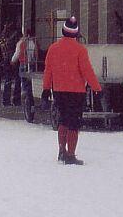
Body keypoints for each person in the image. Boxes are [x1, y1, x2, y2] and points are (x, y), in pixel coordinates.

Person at [42, 16, 101, 165]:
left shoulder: (53, 48)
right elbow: (87, 71)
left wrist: (46, 88)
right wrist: (97, 88)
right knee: (74, 122)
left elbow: (48, 70)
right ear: (76, 33)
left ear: (63, 31)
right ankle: (71, 154)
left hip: (59, 90)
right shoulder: (80, 50)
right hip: (76, 91)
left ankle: (61, 150)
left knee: (63, 119)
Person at [10, 28, 37, 116]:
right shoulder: (33, 42)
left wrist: (12, 61)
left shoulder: (21, 43)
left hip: (23, 63)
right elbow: (35, 54)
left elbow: (17, 54)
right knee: (29, 83)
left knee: (23, 82)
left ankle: (24, 100)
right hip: (32, 64)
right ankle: (30, 98)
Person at [2, 23, 22, 106]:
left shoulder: (4, 36)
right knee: (18, 79)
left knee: (8, 80)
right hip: (15, 59)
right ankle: (16, 100)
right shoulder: (17, 35)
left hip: (7, 59)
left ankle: (6, 100)